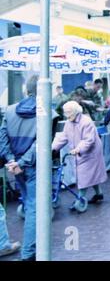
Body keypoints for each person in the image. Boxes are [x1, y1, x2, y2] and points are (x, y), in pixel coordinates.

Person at [0, 75, 39, 261]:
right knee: (34, 207)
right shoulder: (47, 112)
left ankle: (32, 248)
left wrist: (11, 161)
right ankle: (28, 253)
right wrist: (21, 162)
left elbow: (2, 139)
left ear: (27, 89)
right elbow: (41, 144)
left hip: (16, 166)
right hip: (32, 166)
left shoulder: (8, 110)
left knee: (29, 203)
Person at [52, 101, 108, 210]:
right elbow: (64, 136)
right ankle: (99, 193)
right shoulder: (69, 122)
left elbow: (88, 140)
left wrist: (78, 149)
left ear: (76, 112)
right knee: (92, 175)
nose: (67, 115)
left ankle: (80, 199)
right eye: (66, 113)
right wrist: (53, 148)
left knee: (84, 176)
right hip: (80, 152)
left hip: (90, 152)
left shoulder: (86, 122)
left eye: (69, 113)